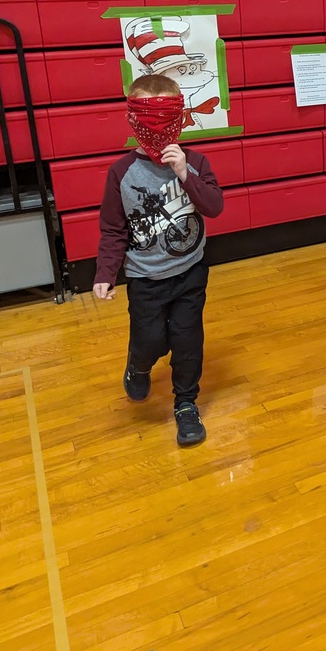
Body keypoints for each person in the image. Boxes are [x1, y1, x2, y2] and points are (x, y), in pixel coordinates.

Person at [93, 74, 224, 446]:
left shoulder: (195, 162)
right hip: (145, 278)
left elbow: (214, 206)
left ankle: (186, 404)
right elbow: (113, 228)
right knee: (150, 340)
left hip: (189, 273)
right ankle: (138, 363)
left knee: (187, 341)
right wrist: (105, 272)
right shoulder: (121, 173)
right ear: (132, 121)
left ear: (180, 119)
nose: (157, 131)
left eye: (166, 120)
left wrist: (184, 173)